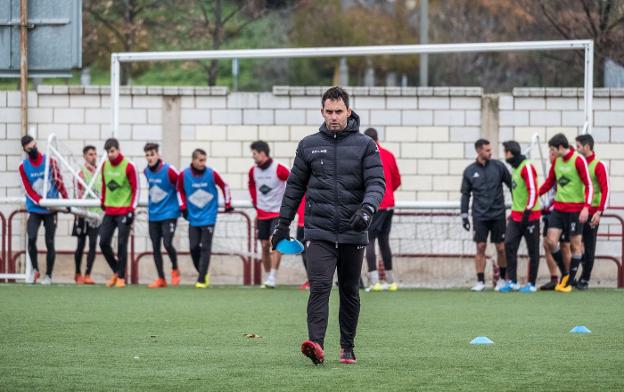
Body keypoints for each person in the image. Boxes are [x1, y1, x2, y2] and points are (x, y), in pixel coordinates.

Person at [271, 86, 385, 365]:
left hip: (354, 230)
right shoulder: (308, 144)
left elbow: (376, 183)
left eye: (339, 111)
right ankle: (316, 346)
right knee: (319, 286)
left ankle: (347, 347)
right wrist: (282, 225)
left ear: (348, 111)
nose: (334, 116)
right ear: (322, 112)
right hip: (319, 231)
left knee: (349, 290)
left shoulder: (365, 145)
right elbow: (294, 187)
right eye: (329, 112)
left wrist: (367, 210)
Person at [538, 133, 593, 293]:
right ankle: (565, 273)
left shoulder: (578, 160)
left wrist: (586, 207)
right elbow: (549, 182)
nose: (552, 153)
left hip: (575, 210)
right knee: (550, 241)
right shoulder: (556, 162)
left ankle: (569, 282)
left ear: (561, 147)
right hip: (559, 209)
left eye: (553, 149)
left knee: (575, 245)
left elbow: (588, 185)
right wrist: (535, 194)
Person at [460, 139, 512, 292]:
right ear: (479, 151)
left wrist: (517, 208)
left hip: (498, 214)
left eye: (491, 149)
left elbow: (513, 186)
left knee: (501, 248)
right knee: (480, 247)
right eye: (487, 150)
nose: (491, 152)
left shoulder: (499, 167)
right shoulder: (469, 171)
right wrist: (464, 215)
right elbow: (465, 195)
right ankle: (480, 281)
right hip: (480, 216)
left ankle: (502, 279)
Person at [178, 148, 232, 288]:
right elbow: (179, 190)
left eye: (204, 160)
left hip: (209, 216)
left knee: (205, 248)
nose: (203, 163)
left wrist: (228, 203)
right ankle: (203, 273)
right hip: (193, 216)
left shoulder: (211, 173)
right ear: (193, 160)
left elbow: (224, 186)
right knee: (193, 247)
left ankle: (201, 279)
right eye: (200, 160)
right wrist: (183, 206)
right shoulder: (184, 174)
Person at [19, 135, 68, 285]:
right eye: (28, 148)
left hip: (51, 209)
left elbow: (59, 181)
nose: (32, 149)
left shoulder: (49, 161)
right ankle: (35, 269)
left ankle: (48, 275)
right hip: (35, 208)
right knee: (32, 237)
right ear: (25, 150)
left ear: (36, 144)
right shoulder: (23, 166)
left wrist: (66, 200)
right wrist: (39, 200)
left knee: (50, 241)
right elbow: (27, 189)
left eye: (33, 145)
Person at [362, 127, 401, 292]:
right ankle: (391, 281)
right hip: (389, 204)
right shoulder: (389, 154)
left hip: (374, 203)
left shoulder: (364, 155)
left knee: (369, 240)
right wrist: (388, 192)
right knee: (384, 241)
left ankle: (374, 281)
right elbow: (397, 180)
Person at [499, 141, 541, 293]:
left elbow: (533, 191)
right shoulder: (515, 169)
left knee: (533, 251)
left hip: (530, 216)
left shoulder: (527, 166)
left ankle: (531, 284)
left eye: (505, 152)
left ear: (510, 152)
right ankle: (513, 282)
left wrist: (528, 211)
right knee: (509, 244)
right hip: (515, 217)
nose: (504, 156)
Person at [248, 140, 290, 288]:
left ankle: (273, 276)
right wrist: (255, 201)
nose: (253, 157)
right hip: (262, 214)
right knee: (264, 246)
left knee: (275, 242)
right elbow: (251, 186)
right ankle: (267, 277)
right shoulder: (253, 171)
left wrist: (289, 204)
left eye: (254, 154)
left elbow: (294, 183)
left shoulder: (279, 168)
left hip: (278, 213)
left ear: (262, 153)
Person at [99, 138, 139, 288]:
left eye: (112, 151)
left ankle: (121, 277)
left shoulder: (129, 166)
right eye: (108, 152)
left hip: (124, 211)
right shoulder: (104, 165)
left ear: (118, 149)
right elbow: (104, 185)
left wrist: (131, 210)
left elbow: (136, 189)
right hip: (109, 211)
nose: (110, 155)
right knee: (103, 242)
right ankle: (117, 270)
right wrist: (103, 201)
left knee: (122, 243)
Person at [143, 143, 181, 288]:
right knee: (155, 247)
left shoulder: (170, 170)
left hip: (169, 213)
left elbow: (181, 185)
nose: (150, 158)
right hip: (154, 214)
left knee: (167, 243)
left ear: (158, 155)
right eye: (147, 155)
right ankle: (161, 279)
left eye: (152, 154)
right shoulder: (146, 171)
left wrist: (181, 205)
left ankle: (175, 268)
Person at [575, 134, 609, 290]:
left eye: (578, 146)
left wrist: (599, 212)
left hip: (592, 212)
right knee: (574, 244)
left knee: (589, 246)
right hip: (577, 210)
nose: (576, 149)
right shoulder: (577, 164)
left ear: (587, 147)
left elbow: (605, 189)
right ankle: (575, 274)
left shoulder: (598, 165)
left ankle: (585, 279)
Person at [539, 150, 571, 291]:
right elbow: (549, 190)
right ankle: (554, 278)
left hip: (563, 212)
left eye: (553, 153)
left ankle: (568, 278)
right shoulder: (554, 171)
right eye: (550, 153)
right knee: (547, 244)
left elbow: (563, 194)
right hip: (551, 214)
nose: (551, 156)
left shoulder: (567, 171)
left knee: (565, 246)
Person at [72, 145, 101, 285]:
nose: (93, 157)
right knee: (80, 245)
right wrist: (78, 213)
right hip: (83, 214)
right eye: (90, 154)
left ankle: (88, 274)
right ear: (84, 156)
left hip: (95, 215)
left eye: (95, 154)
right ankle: (78, 272)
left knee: (93, 244)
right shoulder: (80, 173)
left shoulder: (100, 173)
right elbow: (77, 194)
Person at [297, 195, 309, 290]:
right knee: (303, 251)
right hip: (301, 224)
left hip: (314, 224)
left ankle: (314, 279)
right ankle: (311, 279)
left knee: (313, 252)